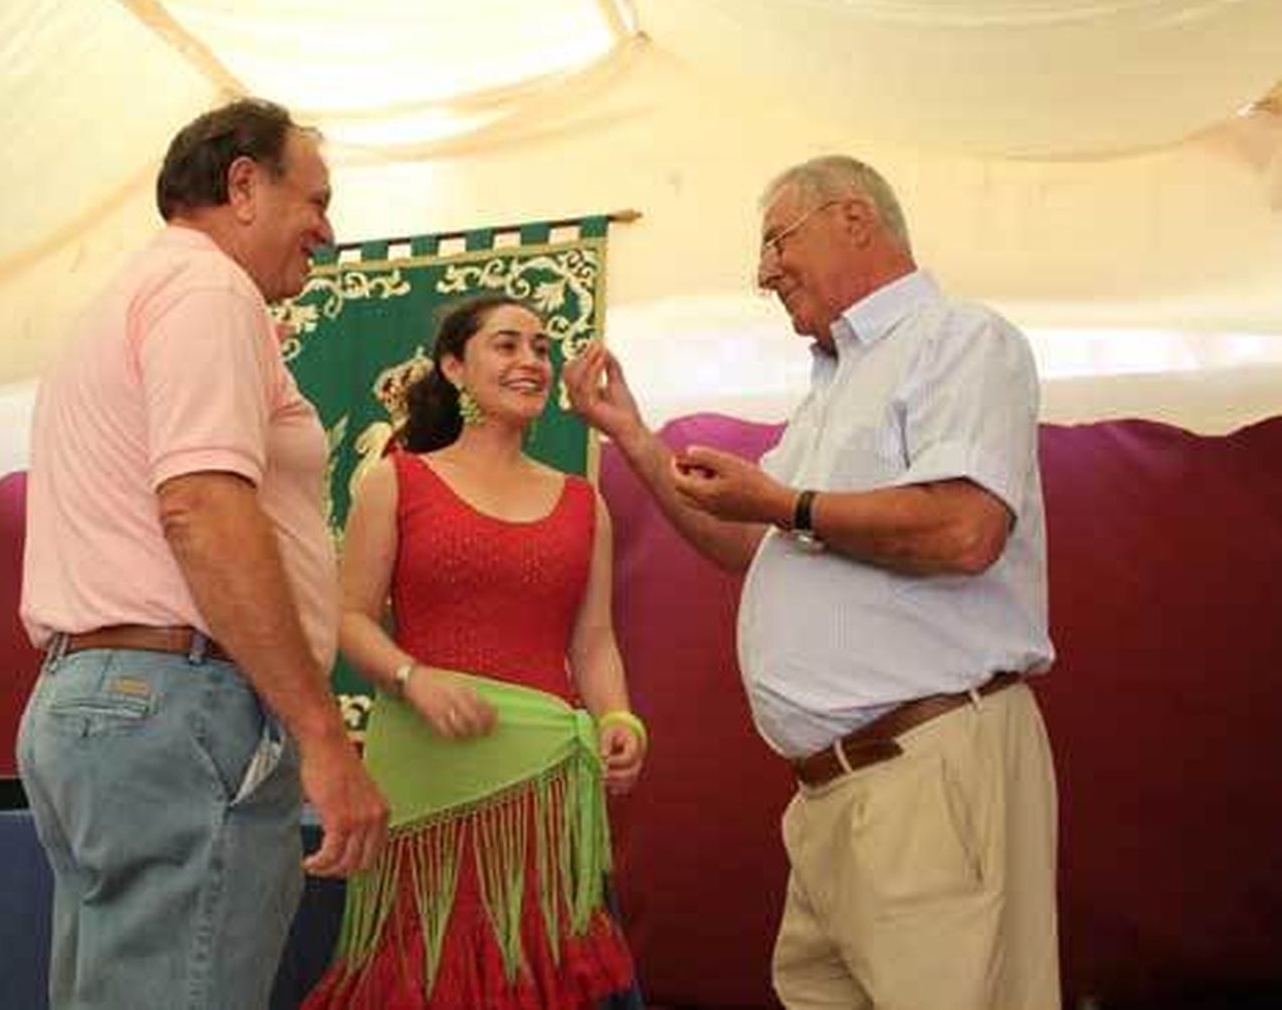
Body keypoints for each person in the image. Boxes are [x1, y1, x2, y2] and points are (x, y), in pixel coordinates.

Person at [565, 156, 1060, 1010]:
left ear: (854, 219)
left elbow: (966, 528)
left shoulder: (961, 341)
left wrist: (786, 500)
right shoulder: (835, 385)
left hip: (929, 776)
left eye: (775, 241)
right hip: (833, 799)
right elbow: (745, 542)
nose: (762, 273)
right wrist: (637, 439)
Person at [16, 98, 389, 1010]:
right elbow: (202, 507)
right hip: (177, 703)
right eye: (317, 199)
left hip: (98, 702)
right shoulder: (209, 292)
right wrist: (320, 734)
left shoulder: (131, 294)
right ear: (243, 186)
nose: (328, 231)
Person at [304, 296, 648, 1010]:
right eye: (507, 345)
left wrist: (621, 719)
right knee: (424, 975)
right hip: (425, 776)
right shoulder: (396, 481)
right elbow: (348, 619)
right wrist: (413, 676)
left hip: (542, 785)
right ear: (455, 366)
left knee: (533, 972)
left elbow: (594, 642)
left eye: (543, 348)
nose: (531, 361)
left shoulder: (586, 503)